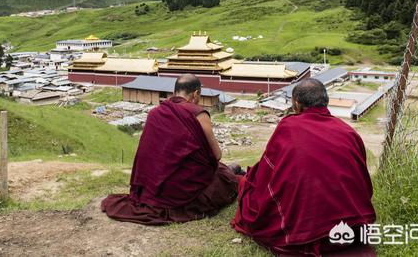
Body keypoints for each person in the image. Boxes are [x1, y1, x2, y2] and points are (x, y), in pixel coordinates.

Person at [231, 79, 376, 256]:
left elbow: (266, 175)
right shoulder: (348, 132)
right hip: (352, 227)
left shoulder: (288, 126)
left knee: (248, 184)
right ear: (326, 101)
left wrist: (251, 179)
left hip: (306, 232)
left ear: (297, 104)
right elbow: (363, 182)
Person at [101, 74, 239, 225]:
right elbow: (217, 155)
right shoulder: (198, 114)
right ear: (196, 94)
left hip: (152, 188)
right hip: (181, 190)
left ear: (174, 92)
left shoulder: (155, 113)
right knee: (225, 177)